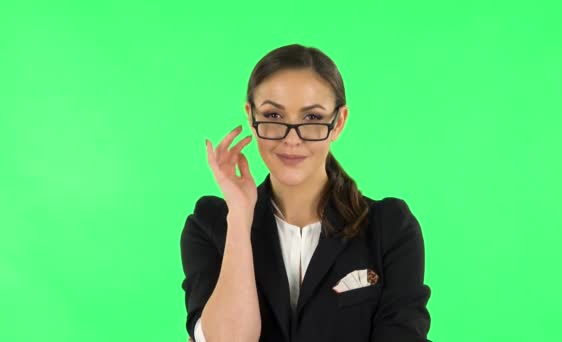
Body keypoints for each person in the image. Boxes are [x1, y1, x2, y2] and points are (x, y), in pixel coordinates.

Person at [180, 43, 431, 342]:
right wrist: (239, 216)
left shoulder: (390, 228)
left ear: (338, 122)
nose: (291, 139)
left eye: (312, 118)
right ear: (251, 115)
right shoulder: (210, 225)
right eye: (273, 116)